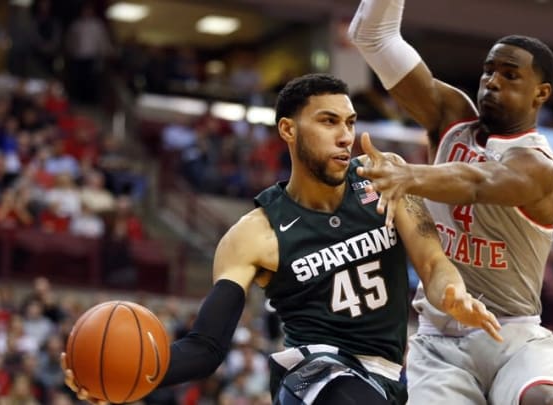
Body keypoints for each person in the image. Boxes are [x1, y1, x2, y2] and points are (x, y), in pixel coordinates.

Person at [61, 73, 502, 405]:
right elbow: (207, 347)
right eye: (328, 121)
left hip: (389, 375)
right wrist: (136, 373)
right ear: (288, 130)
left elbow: (431, 261)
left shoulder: (383, 176)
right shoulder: (254, 234)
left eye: (349, 122)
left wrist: (452, 293)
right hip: (314, 375)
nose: (345, 136)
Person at [349, 1, 553, 404]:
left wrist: (408, 175)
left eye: (510, 75)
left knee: (546, 400)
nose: (492, 81)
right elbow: (373, 36)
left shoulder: (536, 164)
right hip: (439, 341)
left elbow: (477, 181)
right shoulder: (451, 117)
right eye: (489, 70)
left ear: (541, 93)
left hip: (514, 335)